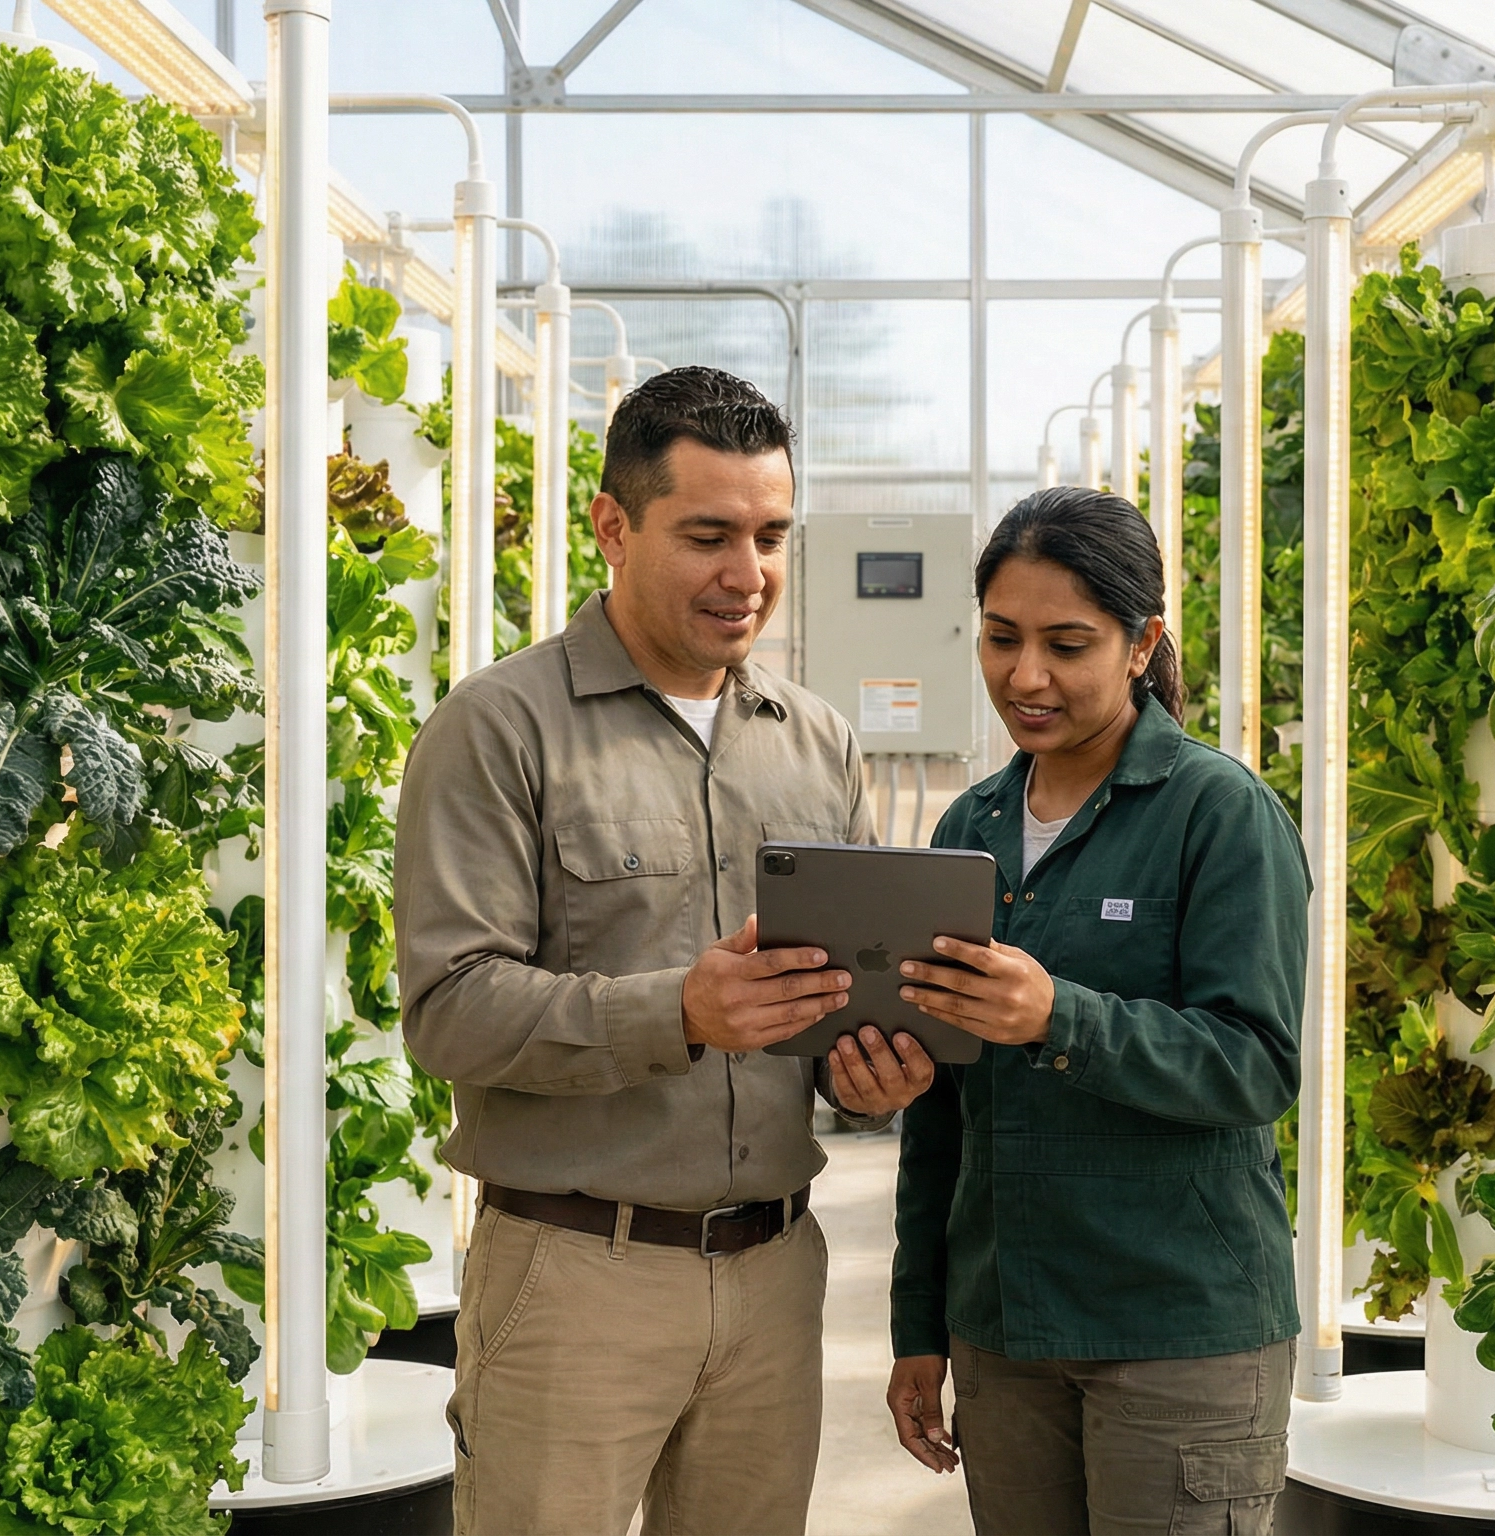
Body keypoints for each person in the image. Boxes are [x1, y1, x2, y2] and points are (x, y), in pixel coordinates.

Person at [397, 366, 940, 1536]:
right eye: (707, 535)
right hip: (573, 1276)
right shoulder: (498, 730)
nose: (747, 575)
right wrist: (677, 1014)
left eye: (769, 535)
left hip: (776, 1274)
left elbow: (848, 1004)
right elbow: (448, 1007)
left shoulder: (818, 744)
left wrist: (877, 1072)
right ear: (612, 526)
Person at [883, 486, 1311, 1536]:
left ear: (1140, 644)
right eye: (1000, 638)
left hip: (1176, 1335)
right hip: (1006, 1329)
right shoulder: (969, 823)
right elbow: (938, 1113)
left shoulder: (1217, 813)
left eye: (1066, 644)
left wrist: (1059, 1018)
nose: (1025, 677)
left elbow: (1254, 1065)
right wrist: (918, 1324)